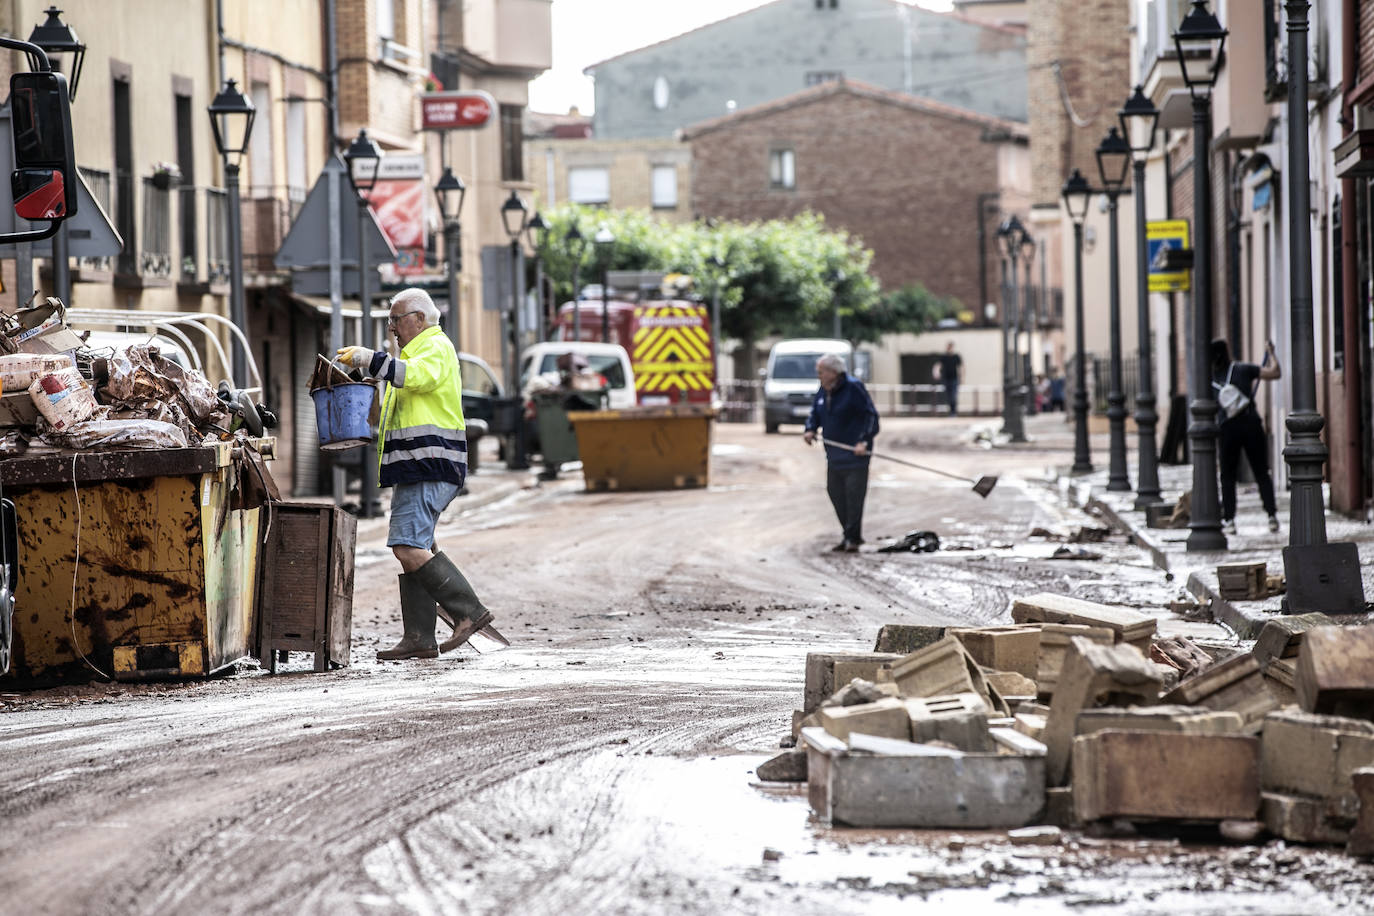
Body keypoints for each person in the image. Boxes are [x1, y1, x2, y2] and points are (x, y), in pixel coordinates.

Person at [337, 288, 504, 659]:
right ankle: (419, 637)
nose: (391, 327)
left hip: (428, 465)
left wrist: (371, 359)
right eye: (390, 321)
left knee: (408, 547)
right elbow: (399, 409)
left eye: (395, 319)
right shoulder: (413, 353)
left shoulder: (434, 347)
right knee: (419, 546)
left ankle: (468, 613)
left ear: (419, 318)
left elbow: (418, 378)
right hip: (418, 467)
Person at [803, 353, 880, 552]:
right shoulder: (823, 389)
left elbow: (871, 417)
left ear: (833, 372)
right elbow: (815, 412)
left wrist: (864, 440)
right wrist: (810, 428)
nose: (818, 375)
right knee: (835, 493)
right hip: (834, 455)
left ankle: (853, 538)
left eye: (820, 372)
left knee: (854, 497)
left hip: (855, 456)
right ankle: (848, 534)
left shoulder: (853, 388)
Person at [1211, 338, 1281, 535]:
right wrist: (1271, 353)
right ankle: (1271, 516)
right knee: (1261, 472)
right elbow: (1275, 372)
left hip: (1227, 428)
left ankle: (1230, 520)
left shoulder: (1211, 380)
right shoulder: (1242, 369)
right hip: (1251, 424)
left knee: (1227, 476)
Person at [936, 341, 962, 416]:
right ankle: (951, 412)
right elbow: (938, 365)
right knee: (948, 396)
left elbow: (960, 367)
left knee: (954, 395)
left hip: (954, 378)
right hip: (946, 379)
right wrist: (937, 372)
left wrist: (961, 378)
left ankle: (954, 412)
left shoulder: (956, 356)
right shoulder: (944, 357)